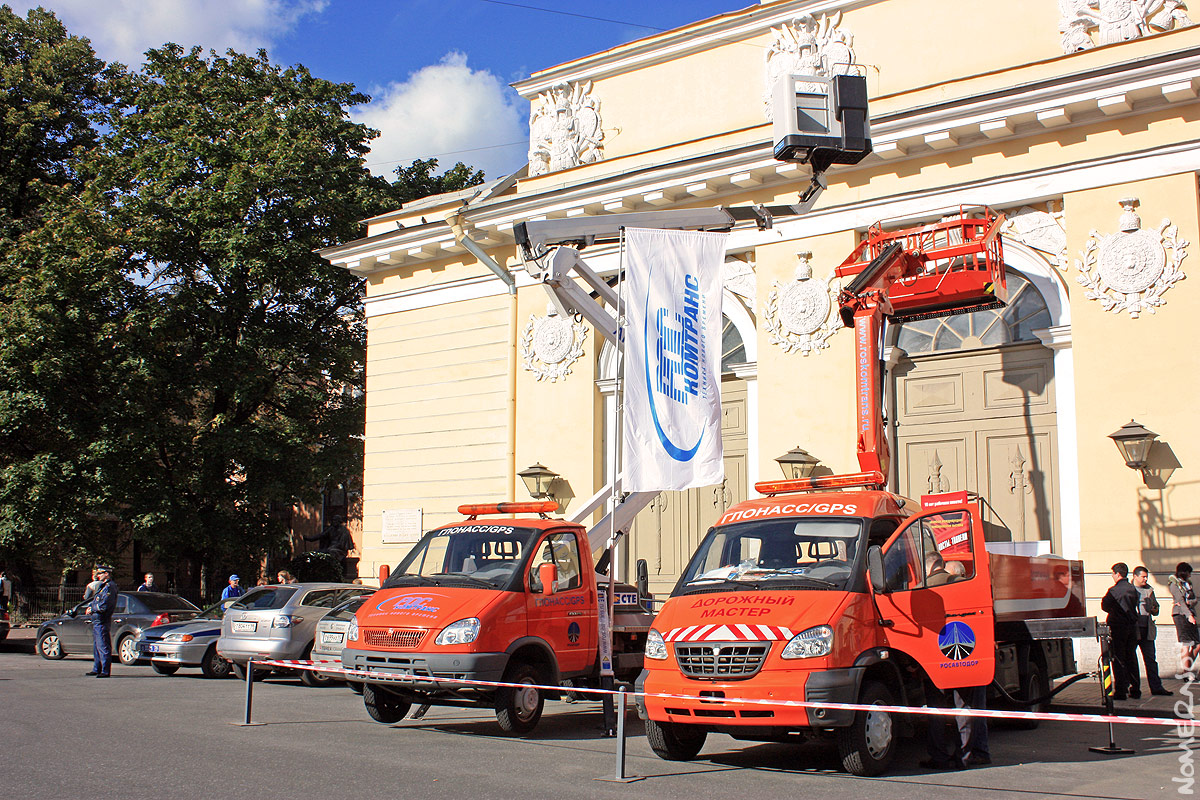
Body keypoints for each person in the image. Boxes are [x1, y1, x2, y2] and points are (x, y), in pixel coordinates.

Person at [1101, 562, 1141, 700]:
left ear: (1118, 574)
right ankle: (1135, 689)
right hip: (1131, 626)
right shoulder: (1133, 589)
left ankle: (1121, 690)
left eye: (1113, 573)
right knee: (1131, 657)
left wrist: (1114, 612)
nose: (1112, 576)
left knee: (1118, 659)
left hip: (1118, 627)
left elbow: (1105, 606)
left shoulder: (1114, 590)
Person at [1132, 566, 1171, 695]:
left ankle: (1156, 688)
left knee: (1151, 660)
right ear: (1135, 576)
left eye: (1146, 577)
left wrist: (1154, 609)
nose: (1145, 579)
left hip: (1147, 629)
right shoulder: (1130, 589)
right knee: (1131, 660)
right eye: (1143, 577)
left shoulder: (1149, 590)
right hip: (1133, 629)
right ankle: (1134, 689)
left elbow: (1156, 608)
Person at [84, 565, 117, 677]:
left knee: (103, 645)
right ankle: (97, 668)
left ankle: (105, 670)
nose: (98, 576)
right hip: (97, 620)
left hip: (102, 619)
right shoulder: (103, 586)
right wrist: (90, 607)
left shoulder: (110, 587)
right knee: (97, 645)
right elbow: (96, 600)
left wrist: (92, 608)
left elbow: (104, 605)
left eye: (100, 573)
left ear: (106, 574)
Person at [1169, 562, 1200, 672]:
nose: (1190, 575)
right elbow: (1180, 601)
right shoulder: (1174, 584)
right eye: (1188, 573)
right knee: (1186, 643)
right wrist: (1189, 615)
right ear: (1183, 572)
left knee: (1197, 644)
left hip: (1190, 613)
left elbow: (1194, 599)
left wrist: (1189, 603)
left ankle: (1186, 669)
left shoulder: (1188, 584)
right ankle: (1186, 673)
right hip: (1181, 615)